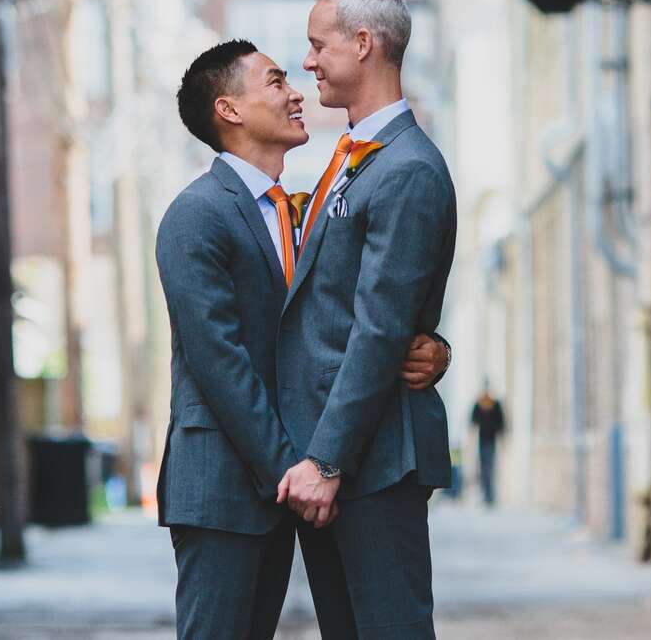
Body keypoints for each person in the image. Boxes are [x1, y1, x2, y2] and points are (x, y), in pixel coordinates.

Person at [154, 39, 449, 640]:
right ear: (229, 110)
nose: (295, 92)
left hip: (286, 483)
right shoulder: (197, 214)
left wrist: (429, 348)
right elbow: (219, 362)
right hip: (224, 485)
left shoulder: (307, 209)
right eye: (274, 81)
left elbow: (354, 315)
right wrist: (300, 470)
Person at [276, 0, 457, 639]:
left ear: (362, 43)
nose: (308, 62)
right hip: (343, 455)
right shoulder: (353, 156)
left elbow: (380, 326)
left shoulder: (406, 168)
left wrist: (328, 460)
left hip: (374, 458)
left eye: (318, 45)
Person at [469, 385, 506, 507]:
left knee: (489, 467)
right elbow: (473, 420)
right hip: (483, 439)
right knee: (485, 467)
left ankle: (489, 495)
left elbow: (501, 422)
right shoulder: (482, 403)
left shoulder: (494, 404)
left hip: (490, 439)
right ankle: (487, 494)